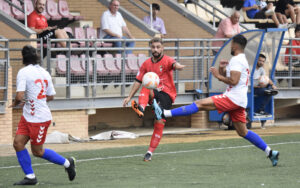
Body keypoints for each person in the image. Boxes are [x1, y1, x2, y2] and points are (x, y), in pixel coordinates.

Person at [152, 35, 280, 166]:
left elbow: (234, 81)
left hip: (233, 98)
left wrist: (218, 75)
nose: (230, 46)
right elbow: (231, 78)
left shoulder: (237, 60)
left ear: (235, 45)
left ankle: (164, 113)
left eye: (231, 44)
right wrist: (222, 70)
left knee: (199, 104)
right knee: (243, 132)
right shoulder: (240, 59)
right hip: (238, 100)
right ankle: (270, 152)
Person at [10, 45, 76, 185]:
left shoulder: (23, 72)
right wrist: (32, 101)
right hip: (28, 116)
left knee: (37, 151)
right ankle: (30, 176)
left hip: (39, 119)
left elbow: (19, 95)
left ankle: (67, 163)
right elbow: (51, 96)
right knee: (18, 143)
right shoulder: (44, 72)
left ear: (23, 58)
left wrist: (15, 102)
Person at [122, 37, 185, 161]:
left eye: (158, 47)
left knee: (159, 122)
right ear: (150, 48)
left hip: (167, 95)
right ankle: (141, 108)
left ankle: (149, 152)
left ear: (162, 48)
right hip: (152, 93)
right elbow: (138, 81)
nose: (155, 50)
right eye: (153, 47)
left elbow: (173, 64)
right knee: (147, 83)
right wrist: (129, 97)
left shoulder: (167, 60)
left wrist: (178, 66)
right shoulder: (146, 64)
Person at [253, 54, 278, 128]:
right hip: (251, 88)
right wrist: (255, 86)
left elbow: (266, 78)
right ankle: (260, 110)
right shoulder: (251, 68)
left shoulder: (261, 69)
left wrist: (273, 85)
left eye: (263, 61)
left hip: (259, 88)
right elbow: (246, 81)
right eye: (260, 60)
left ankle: (261, 111)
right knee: (267, 91)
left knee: (269, 90)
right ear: (256, 60)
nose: (261, 62)